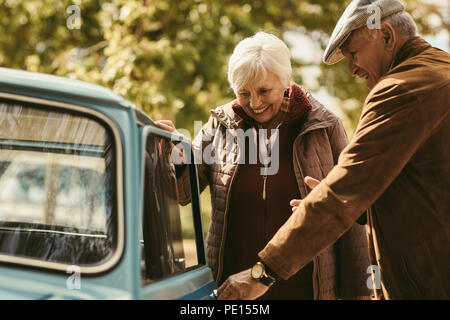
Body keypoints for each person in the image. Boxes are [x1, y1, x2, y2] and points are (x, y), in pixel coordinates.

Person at [218, 0, 450, 300]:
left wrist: (263, 272)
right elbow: (422, 190)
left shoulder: (400, 90)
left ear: (387, 36)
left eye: (353, 53)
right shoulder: (439, 70)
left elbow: (343, 192)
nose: (352, 69)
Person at [156, 31, 371, 299]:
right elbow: (182, 193)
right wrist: (173, 154)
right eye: (244, 93)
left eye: (263, 91)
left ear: (285, 82)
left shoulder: (324, 126)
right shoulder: (219, 126)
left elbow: (349, 209)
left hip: (306, 290)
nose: (254, 103)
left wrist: (358, 290)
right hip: (234, 289)